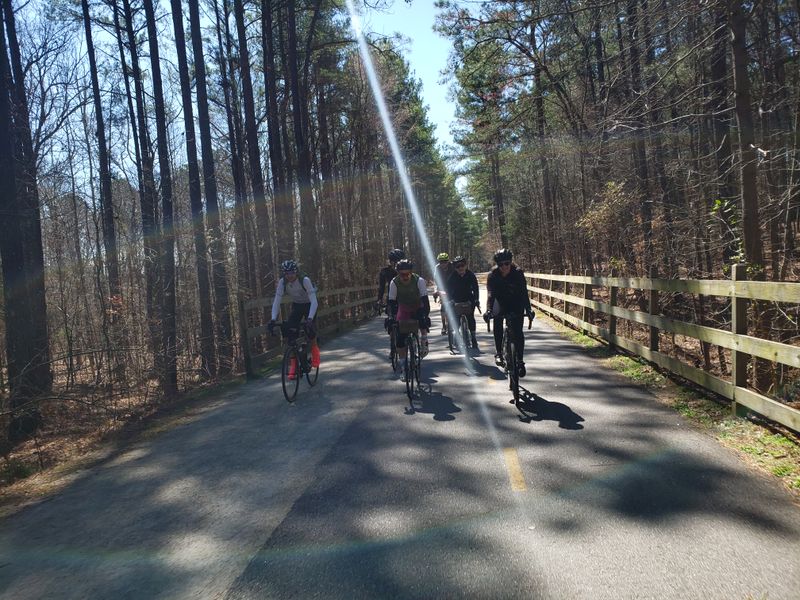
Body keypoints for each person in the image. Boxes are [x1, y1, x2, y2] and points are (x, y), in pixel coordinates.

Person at [484, 248, 534, 377]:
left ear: (511, 262)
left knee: (518, 332)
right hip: (500, 302)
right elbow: (490, 295)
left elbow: (524, 293)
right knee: (497, 321)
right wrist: (489, 310)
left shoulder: (518, 273)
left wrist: (528, 309)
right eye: (500, 264)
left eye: (506, 263)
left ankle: (520, 361)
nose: (504, 267)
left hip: (516, 302)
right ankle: (499, 353)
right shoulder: (493, 275)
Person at [268, 260, 320, 380]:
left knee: (310, 332)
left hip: (309, 305)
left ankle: (315, 353)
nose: (289, 276)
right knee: (290, 335)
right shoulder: (283, 282)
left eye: (291, 273)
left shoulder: (305, 280)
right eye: (287, 273)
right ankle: (294, 366)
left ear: (296, 272)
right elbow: (277, 300)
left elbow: (314, 300)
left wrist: (310, 318)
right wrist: (272, 319)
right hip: (297, 306)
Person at [386, 259, 431, 372]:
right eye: (402, 274)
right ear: (398, 273)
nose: (405, 276)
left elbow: (425, 300)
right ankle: (403, 366)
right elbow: (391, 302)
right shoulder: (394, 282)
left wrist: (426, 315)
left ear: (411, 272)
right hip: (403, 308)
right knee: (400, 337)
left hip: (417, 305)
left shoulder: (419, 280)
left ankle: (424, 341)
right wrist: (392, 317)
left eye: (408, 274)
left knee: (422, 320)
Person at [445, 255, 480, 348]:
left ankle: (473, 337)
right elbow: (448, 290)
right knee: (456, 318)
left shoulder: (471, 275)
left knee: (470, 317)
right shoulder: (452, 277)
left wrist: (476, 299)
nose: (460, 268)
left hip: (469, 298)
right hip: (456, 299)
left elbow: (476, 288)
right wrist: (450, 300)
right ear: (455, 268)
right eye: (458, 266)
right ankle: (457, 336)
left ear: (465, 265)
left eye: (462, 265)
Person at [432, 252, 454, 335]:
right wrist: (436, 291)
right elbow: (436, 281)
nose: (443, 263)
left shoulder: (452, 266)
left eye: (445, 261)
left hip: (452, 286)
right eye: (441, 262)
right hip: (443, 287)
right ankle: (444, 325)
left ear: (448, 261)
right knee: (443, 308)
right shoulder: (437, 268)